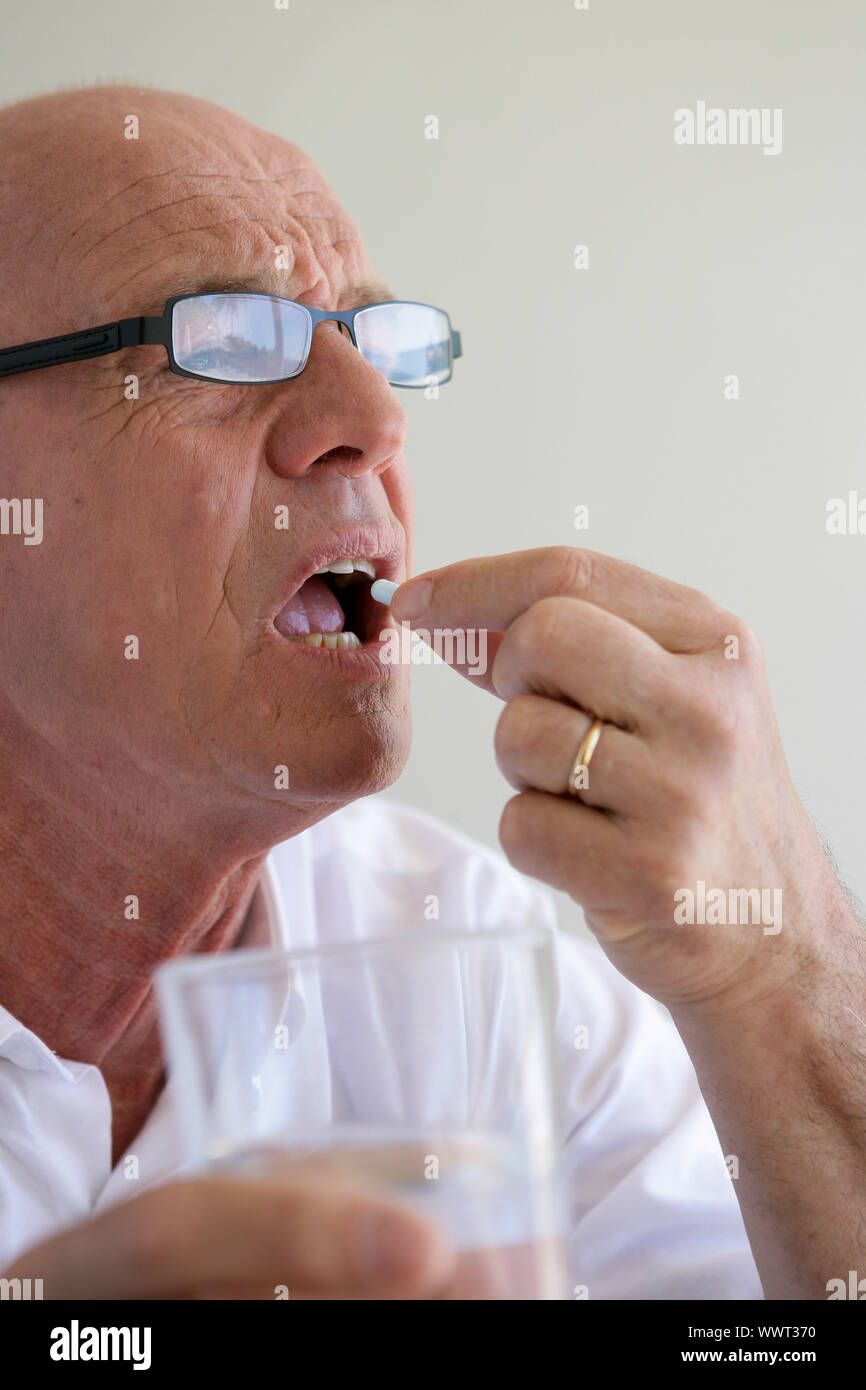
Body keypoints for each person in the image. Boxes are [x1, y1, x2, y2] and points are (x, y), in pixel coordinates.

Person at [0, 85, 861, 1301]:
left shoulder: (464, 966)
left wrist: (781, 971)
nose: (372, 421)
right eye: (226, 337)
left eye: (373, 341)